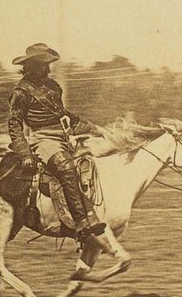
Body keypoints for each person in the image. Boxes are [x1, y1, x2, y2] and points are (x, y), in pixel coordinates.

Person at [7, 43, 113, 253]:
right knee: (65, 168)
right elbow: (14, 124)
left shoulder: (54, 87)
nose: (47, 68)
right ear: (30, 66)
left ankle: (92, 214)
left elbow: (65, 115)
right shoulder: (20, 91)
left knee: (88, 164)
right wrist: (25, 152)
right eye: (42, 64)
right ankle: (82, 223)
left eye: (48, 64)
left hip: (63, 137)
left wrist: (94, 128)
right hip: (42, 140)